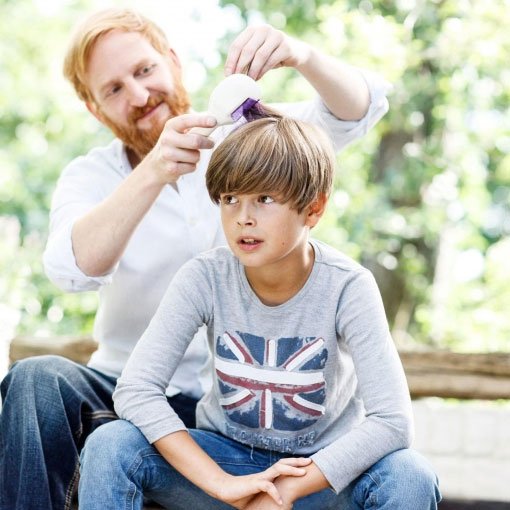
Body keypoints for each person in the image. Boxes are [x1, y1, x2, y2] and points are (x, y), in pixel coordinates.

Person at [0, 7, 391, 510]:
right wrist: (153, 173)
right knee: (34, 379)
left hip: (234, 409)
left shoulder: (250, 143)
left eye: (144, 71)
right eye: (114, 90)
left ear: (172, 61)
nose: (139, 96)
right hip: (130, 393)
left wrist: (302, 55)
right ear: (95, 111)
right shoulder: (91, 176)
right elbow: (72, 268)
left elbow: (358, 111)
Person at [79, 112, 441, 509]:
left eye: (264, 199)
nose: (243, 217)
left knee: (409, 475)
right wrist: (224, 485)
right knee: (112, 444)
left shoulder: (348, 286)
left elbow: (392, 421)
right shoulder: (204, 277)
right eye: (230, 199)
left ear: (313, 210)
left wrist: (284, 491)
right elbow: (135, 391)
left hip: (319, 477)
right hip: (227, 463)